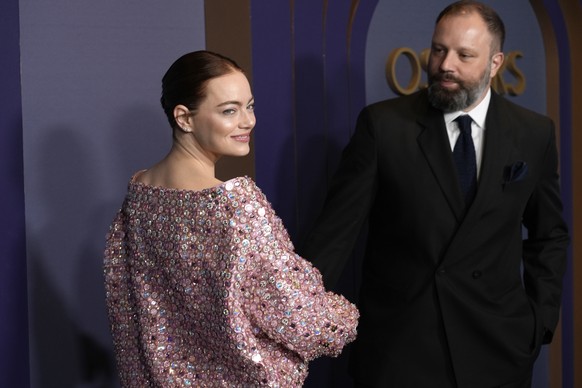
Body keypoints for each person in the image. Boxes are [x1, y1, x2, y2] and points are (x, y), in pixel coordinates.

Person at [299, 2, 569, 387]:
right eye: (439, 49)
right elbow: (334, 235)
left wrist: (539, 321)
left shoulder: (533, 133)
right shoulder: (384, 126)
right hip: (402, 349)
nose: (446, 65)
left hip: (497, 348)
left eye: (464, 55)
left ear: (495, 63)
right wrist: (292, 315)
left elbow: (549, 235)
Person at [103, 50, 358, 387]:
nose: (247, 121)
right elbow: (305, 322)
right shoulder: (235, 206)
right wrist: (346, 318)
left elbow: (127, 314)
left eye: (249, 106)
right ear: (184, 118)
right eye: (229, 111)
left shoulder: (139, 195)